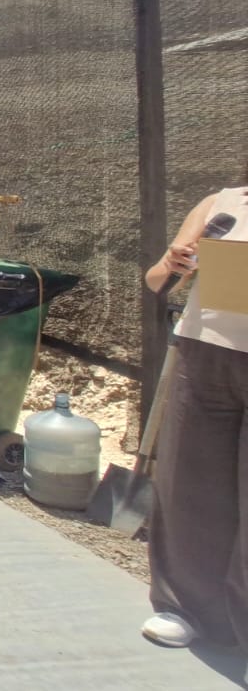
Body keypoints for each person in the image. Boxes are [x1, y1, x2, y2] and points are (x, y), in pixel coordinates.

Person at [141, 179, 248, 649]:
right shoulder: (223, 203)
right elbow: (156, 279)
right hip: (205, 355)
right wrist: (173, 261)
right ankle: (184, 606)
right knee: (189, 484)